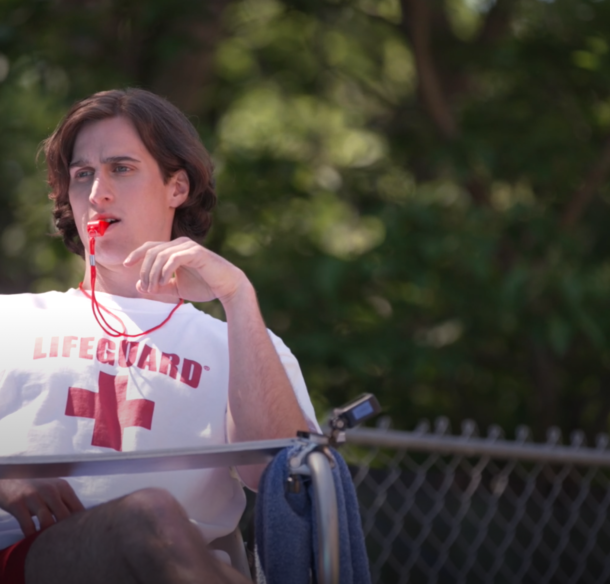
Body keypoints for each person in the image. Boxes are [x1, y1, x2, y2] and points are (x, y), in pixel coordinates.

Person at [0, 88, 318, 583]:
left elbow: (286, 484)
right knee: (145, 516)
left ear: (177, 187)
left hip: (183, 566)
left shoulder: (241, 342)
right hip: (30, 558)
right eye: (82, 174)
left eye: (121, 168)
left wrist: (238, 297)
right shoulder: (12, 320)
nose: (97, 192)